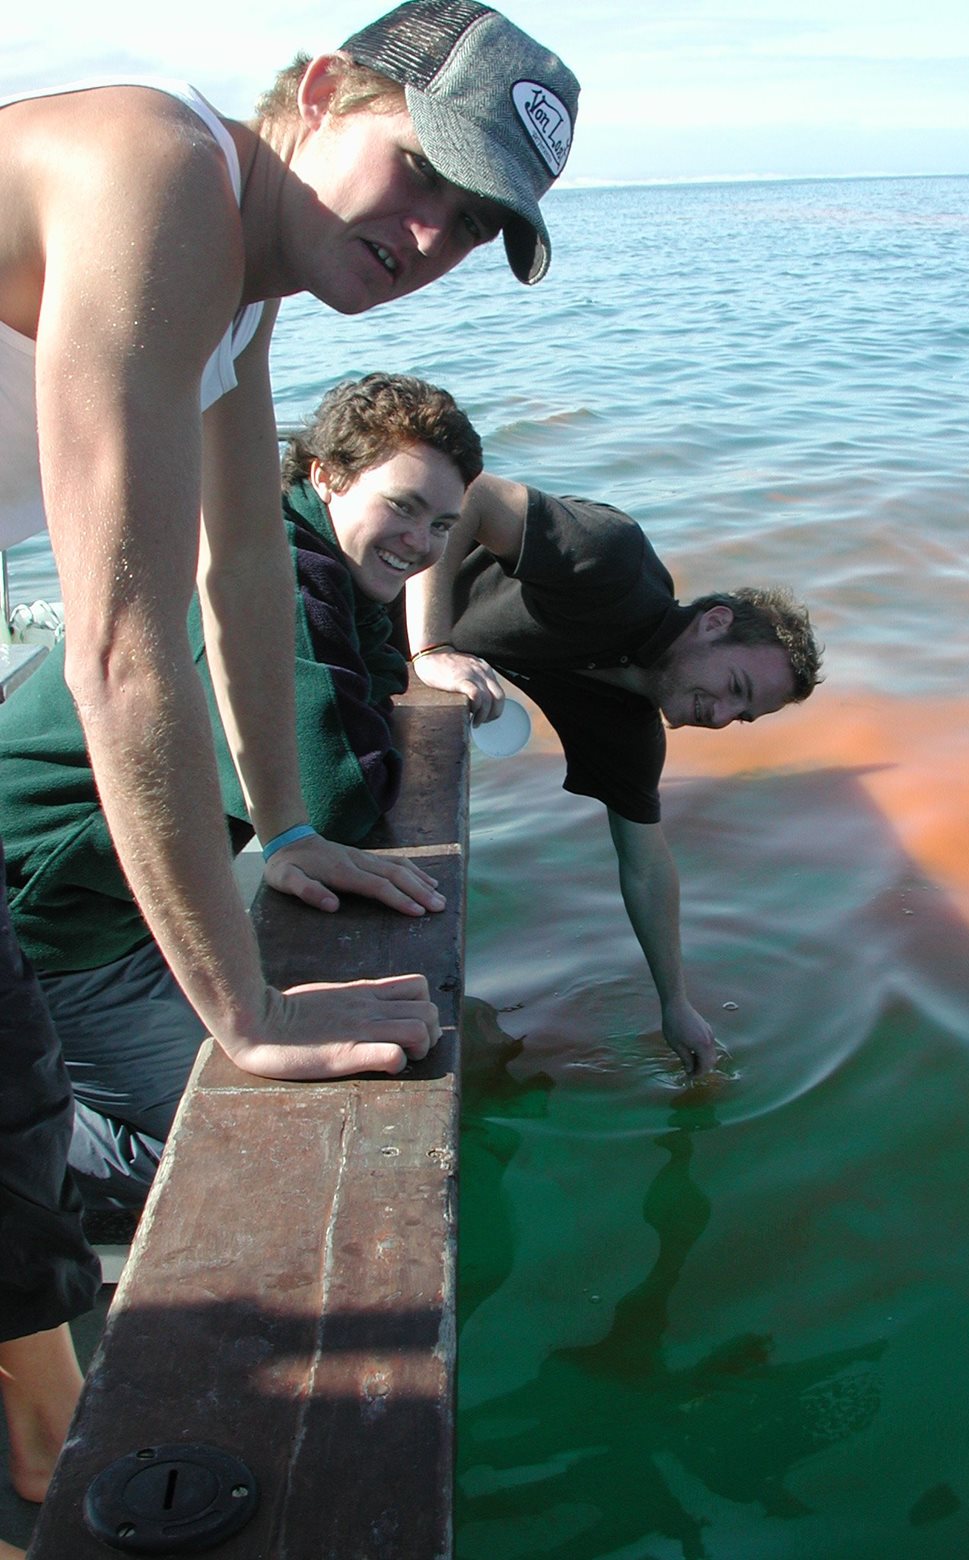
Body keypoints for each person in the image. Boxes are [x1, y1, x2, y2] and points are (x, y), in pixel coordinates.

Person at [0, 2, 578, 1543]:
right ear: (322, 91)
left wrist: (290, 826)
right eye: (422, 174)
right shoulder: (159, 170)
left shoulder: (239, 291)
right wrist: (241, 1011)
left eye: (474, 226)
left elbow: (240, 569)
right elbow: (120, 646)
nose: (430, 239)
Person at [0, 370, 484, 1211]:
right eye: (403, 506)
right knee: (233, 1152)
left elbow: (369, 694)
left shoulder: (319, 557)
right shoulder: (284, 578)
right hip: (53, 910)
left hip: (121, 891)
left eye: (443, 524)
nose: (422, 543)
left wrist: (388, 672)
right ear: (326, 474)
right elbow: (340, 798)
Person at [405, 475, 823, 1077]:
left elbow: (647, 865)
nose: (721, 716)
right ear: (714, 623)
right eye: (735, 687)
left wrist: (675, 1003)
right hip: (346, 570)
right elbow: (471, 492)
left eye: (742, 717)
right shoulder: (614, 560)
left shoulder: (629, 733)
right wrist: (431, 648)